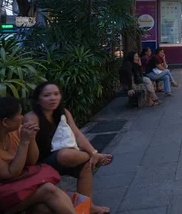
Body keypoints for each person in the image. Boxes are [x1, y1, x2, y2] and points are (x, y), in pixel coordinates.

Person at [0, 97, 77, 214]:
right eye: (19, 114)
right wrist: (24, 142)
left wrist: (31, 138)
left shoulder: (15, 132)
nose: (22, 117)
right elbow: (10, 174)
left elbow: (31, 162)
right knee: (48, 189)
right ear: (5, 122)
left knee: (42, 209)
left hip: (5, 190)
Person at [24, 83, 114, 213]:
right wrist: (92, 155)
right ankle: (93, 157)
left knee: (85, 166)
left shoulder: (63, 112)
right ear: (38, 100)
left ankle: (89, 206)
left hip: (64, 156)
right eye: (47, 95)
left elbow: (77, 134)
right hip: (40, 162)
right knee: (66, 154)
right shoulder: (31, 118)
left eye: (56, 94)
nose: (53, 98)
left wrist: (93, 151)